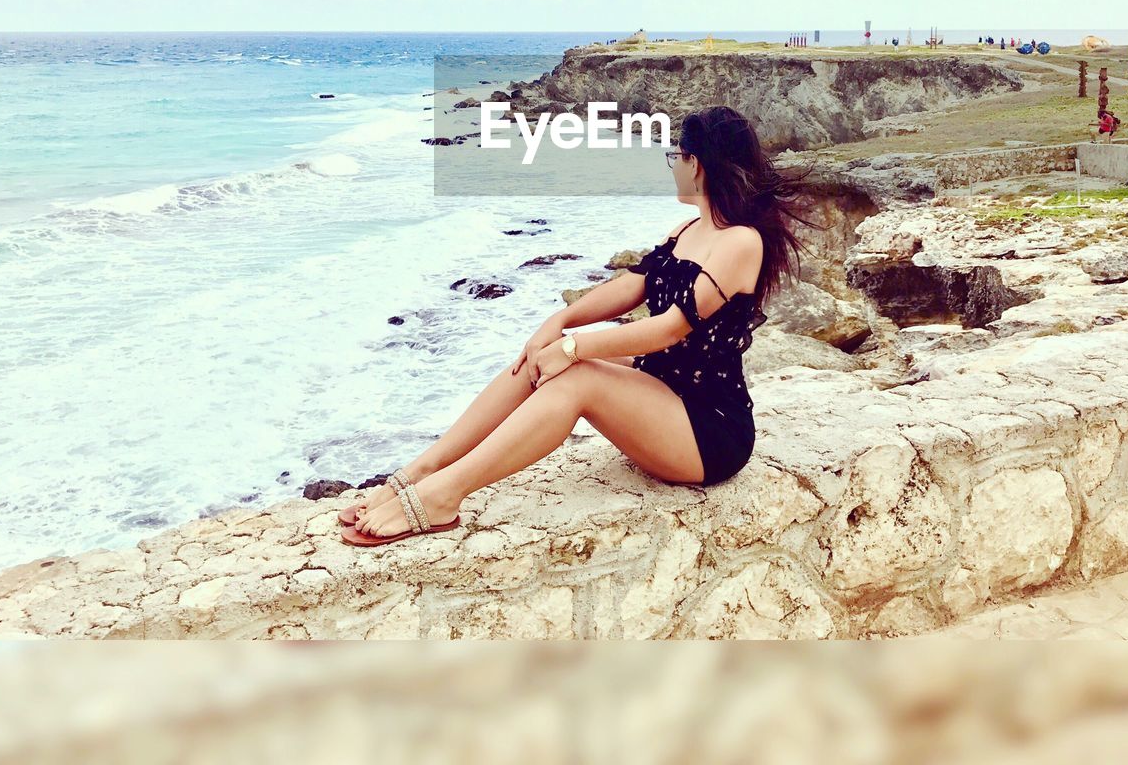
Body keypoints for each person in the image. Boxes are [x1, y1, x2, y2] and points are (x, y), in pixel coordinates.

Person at [338, 106, 822, 546]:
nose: (673, 164)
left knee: (578, 373)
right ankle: (424, 468)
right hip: (663, 391)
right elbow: (633, 284)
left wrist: (574, 348)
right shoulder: (688, 230)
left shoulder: (741, 242)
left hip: (709, 430)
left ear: (696, 163)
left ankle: (442, 496)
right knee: (538, 362)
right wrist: (560, 321)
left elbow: (670, 330)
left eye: (677, 154)